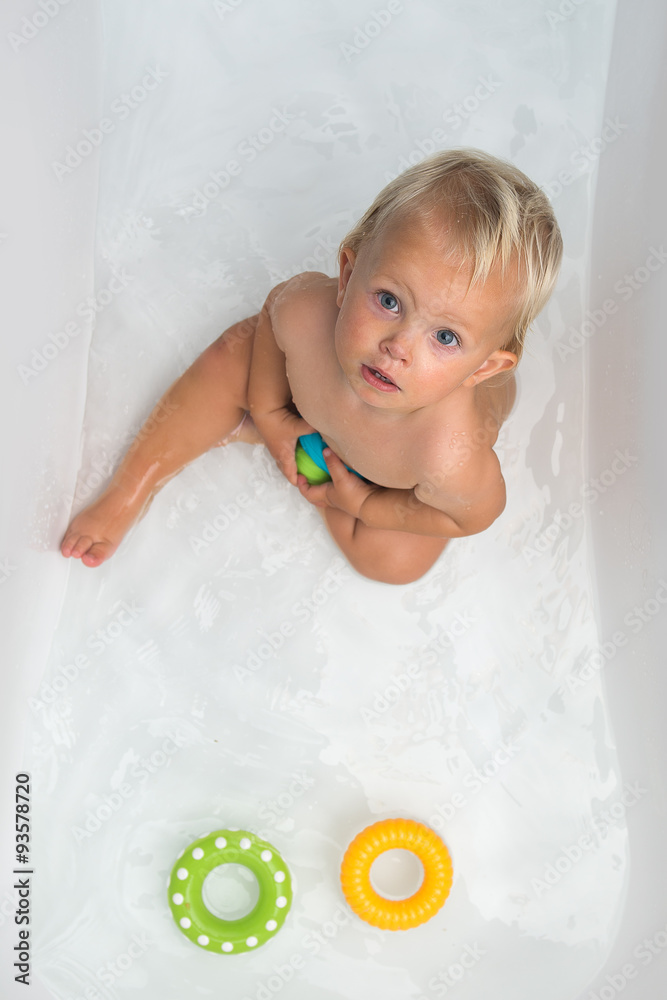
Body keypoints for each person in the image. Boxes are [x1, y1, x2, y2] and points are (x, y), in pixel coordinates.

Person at [60, 148, 562, 585]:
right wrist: (271, 412)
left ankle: (312, 473)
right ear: (347, 275)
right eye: (389, 300)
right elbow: (270, 314)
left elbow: (471, 516)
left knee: (393, 561)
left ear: (484, 369)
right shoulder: (306, 312)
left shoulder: (447, 453)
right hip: (311, 415)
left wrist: (365, 505)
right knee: (232, 356)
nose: (398, 347)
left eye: (445, 338)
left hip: (381, 482)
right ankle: (130, 489)